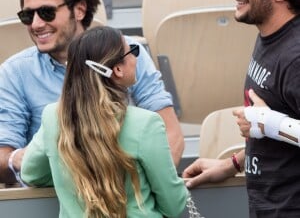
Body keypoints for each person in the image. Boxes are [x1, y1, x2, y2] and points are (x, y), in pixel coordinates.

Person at [0, 0, 184, 185]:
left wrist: (138, 194)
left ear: (79, 10)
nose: (36, 24)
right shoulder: (14, 72)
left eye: (46, 12)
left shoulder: (127, 52)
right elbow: (3, 159)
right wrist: (17, 158)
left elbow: (171, 135)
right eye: (27, 15)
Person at [183, 0, 300, 217]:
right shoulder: (270, 33)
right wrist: (232, 164)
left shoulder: (296, 56)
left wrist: (270, 122)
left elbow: (271, 123)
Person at [20, 25, 188, 218]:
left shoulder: (53, 116)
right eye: (132, 52)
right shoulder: (147, 124)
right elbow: (173, 205)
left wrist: (74, 177)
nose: (135, 59)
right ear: (117, 69)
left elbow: (31, 174)